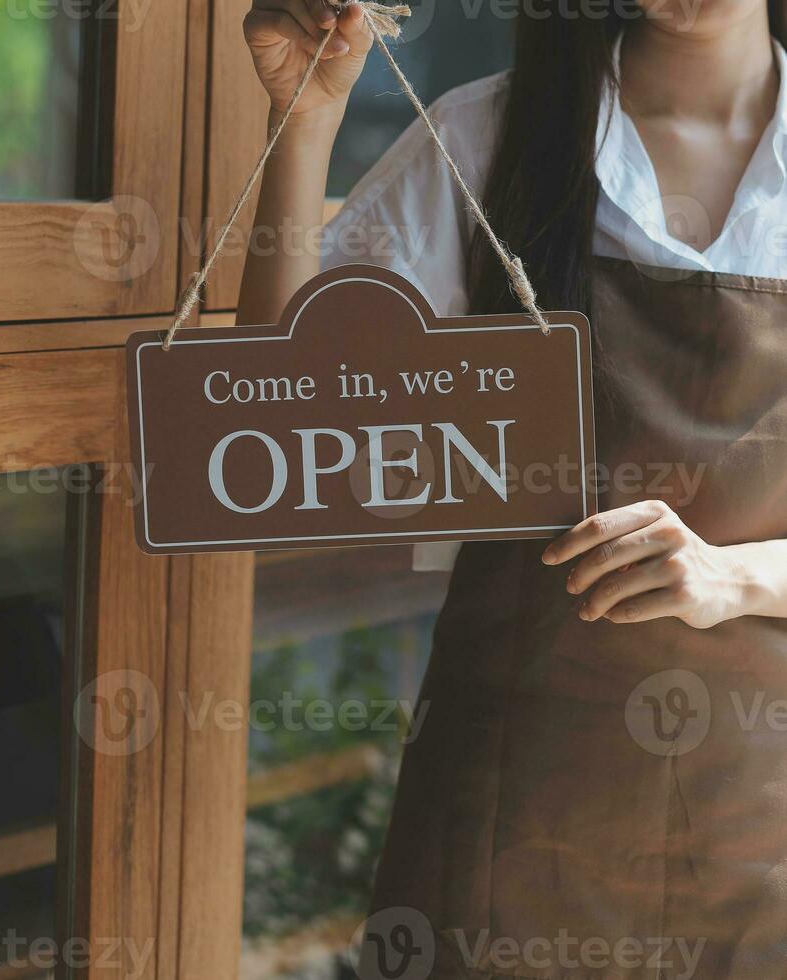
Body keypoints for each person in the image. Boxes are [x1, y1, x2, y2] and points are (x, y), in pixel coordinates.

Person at [240, 1, 787, 975]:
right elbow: (279, 420)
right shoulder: (490, 133)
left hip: (764, 808)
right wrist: (306, 117)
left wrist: (732, 574)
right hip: (509, 803)